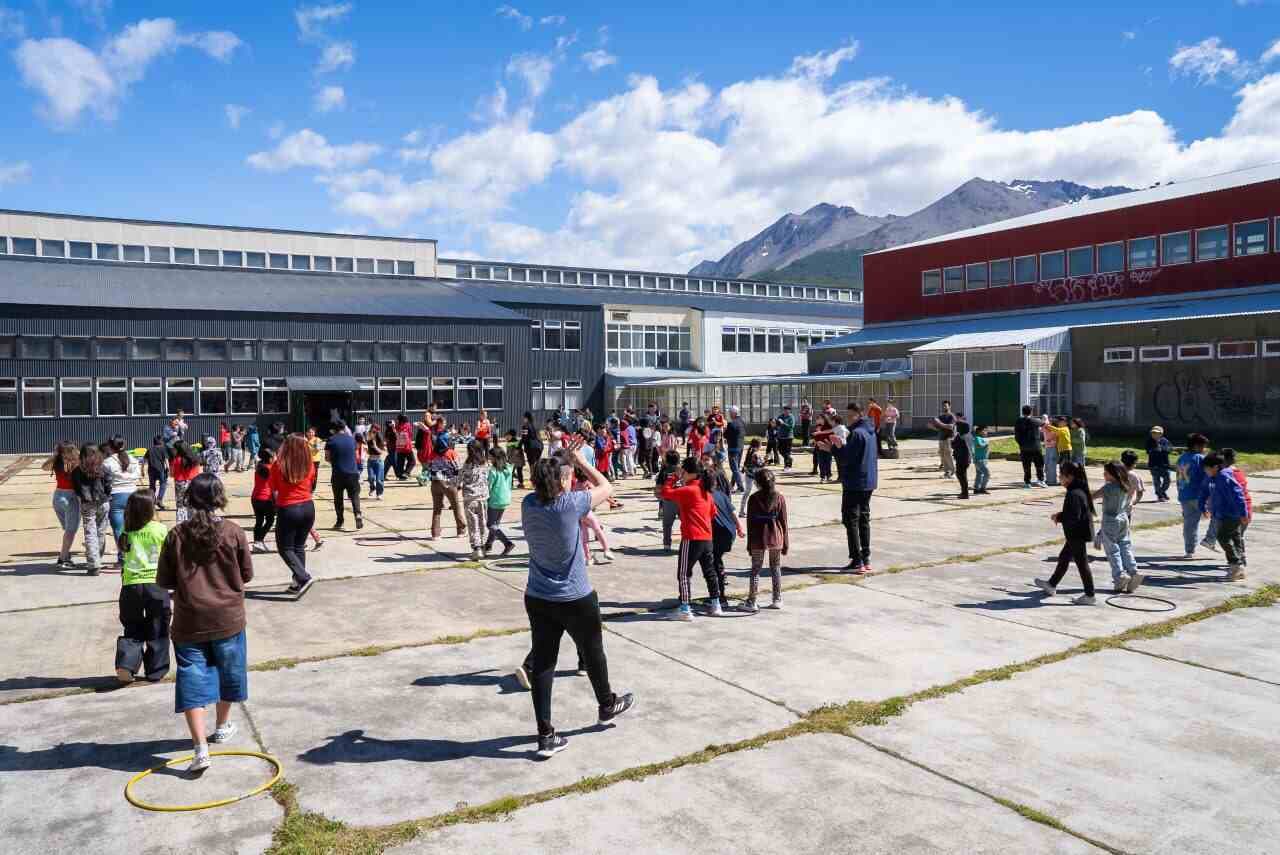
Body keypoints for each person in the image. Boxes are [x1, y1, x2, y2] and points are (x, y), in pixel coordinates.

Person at [518, 442, 633, 758]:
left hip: (539, 596)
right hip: (574, 596)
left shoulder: (528, 504)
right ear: (562, 481)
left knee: (543, 665)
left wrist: (563, 464)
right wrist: (581, 461)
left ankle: (545, 735)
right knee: (593, 652)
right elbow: (607, 486)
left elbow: (552, 485)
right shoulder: (570, 504)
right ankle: (606, 704)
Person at [156, 473, 253, 773]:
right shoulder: (234, 532)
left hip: (189, 621)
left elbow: (164, 581)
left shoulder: (176, 535)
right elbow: (246, 574)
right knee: (229, 673)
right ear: (219, 498)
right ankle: (222, 726)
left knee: (192, 678)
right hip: (228, 619)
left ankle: (200, 748)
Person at [115, 489, 170, 684]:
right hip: (156, 584)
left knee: (132, 626)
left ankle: (127, 665)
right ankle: (155, 670)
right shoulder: (160, 529)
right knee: (158, 628)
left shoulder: (126, 530)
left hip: (131, 585)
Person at [662, 458, 722, 620]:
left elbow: (665, 493)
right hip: (707, 538)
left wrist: (673, 478)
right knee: (709, 571)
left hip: (691, 537)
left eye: (683, 471)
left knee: (683, 573)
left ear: (687, 472)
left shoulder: (688, 490)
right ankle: (716, 603)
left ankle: (685, 608)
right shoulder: (706, 491)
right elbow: (713, 513)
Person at [1034, 460, 1098, 605]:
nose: (1059, 478)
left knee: (1082, 563)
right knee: (1064, 557)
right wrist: (1061, 515)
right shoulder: (1078, 489)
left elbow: (1073, 516)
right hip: (1077, 533)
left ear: (1070, 477)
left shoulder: (1074, 493)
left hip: (1077, 534)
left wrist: (1059, 517)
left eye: (1061, 475)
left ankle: (1090, 595)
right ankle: (1051, 585)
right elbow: (1075, 513)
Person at [829, 402, 877, 574]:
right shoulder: (870, 431)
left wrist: (834, 448)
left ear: (860, 414)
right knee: (863, 518)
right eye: (847, 415)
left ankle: (858, 560)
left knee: (851, 520)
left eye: (851, 416)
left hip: (855, 482)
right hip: (868, 481)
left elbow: (846, 458)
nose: (848, 419)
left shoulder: (857, 434)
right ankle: (866, 557)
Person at [269, 434, 317, 597]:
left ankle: (303, 577)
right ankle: (297, 582)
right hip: (308, 507)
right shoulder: (309, 464)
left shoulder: (279, 465)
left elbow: (273, 489)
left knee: (285, 548)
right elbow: (311, 484)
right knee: (298, 546)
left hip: (289, 508)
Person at [742, 468, 789, 613]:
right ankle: (777, 598)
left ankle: (752, 600)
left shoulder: (754, 498)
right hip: (776, 536)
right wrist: (786, 542)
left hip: (758, 537)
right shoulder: (779, 497)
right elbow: (784, 522)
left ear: (757, 483)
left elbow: (750, 522)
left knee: (756, 569)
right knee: (775, 567)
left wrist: (749, 544)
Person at [1092, 461, 1140, 594]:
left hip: (1110, 521)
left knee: (1112, 550)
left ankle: (1119, 576)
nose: (1103, 474)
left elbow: (1093, 496)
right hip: (1123, 519)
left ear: (1113, 474)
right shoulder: (1125, 485)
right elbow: (1131, 498)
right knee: (1125, 546)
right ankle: (1133, 571)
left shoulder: (1108, 487)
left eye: (1106, 472)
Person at [1201, 453, 1248, 580]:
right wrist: (1203, 507)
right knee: (1235, 537)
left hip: (1231, 514)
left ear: (1215, 467)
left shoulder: (1224, 477)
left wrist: (1244, 514)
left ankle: (1235, 565)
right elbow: (1205, 491)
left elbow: (1238, 495)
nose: (1205, 471)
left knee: (1223, 537)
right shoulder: (1213, 477)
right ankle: (1239, 568)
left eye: (1206, 468)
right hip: (1221, 513)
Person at [72, 443, 112, 575]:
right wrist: (107, 495)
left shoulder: (77, 471)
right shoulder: (103, 468)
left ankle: (93, 564)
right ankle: (97, 558)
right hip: (103, 501)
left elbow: (77, 489)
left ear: (82, 455)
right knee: (101, 531)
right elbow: (108, 484)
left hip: (87, 503)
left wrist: (82, 497)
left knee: (90, 533)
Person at [103, 436, 142, 566]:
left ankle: (123, 557)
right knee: (133, 527)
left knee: (118, 529)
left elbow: (104, 479)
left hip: (116, 495)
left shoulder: (107, 462)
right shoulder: (133, 459)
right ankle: (135, 554)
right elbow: (137, 475)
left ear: (110, 446)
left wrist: (118, 476)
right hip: (132, 494)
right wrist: (127, 477)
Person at [1177, 433, 1217, 559]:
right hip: (1199, 494)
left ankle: (1189, 551)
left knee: (1189, 523)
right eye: (1203, 446)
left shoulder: (1181, 458)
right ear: (1196, 446)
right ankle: (1210, 539)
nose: (1204, 449)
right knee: (1218, 516)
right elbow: (1208, 476)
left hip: (1184, 493)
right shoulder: (1200, 458)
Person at [44, 441, 82, 570]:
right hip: (71, 497)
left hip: (58, 496)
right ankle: (63, 558)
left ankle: (66, 554)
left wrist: (55, 456)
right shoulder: (77, 462)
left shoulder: (57, 462)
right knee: (71, 530)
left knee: (67, 528)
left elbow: (44, 467)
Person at [710, 474, 744, 612]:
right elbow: (733, 512)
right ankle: (720, 591)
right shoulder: (721, 495)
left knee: (714, 563)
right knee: (717, 560)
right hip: (730, 533)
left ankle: (720, 597)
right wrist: (739, 527)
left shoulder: (706, 496)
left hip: (719, 534)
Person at [427, 423, 466, 541]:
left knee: (437, 509)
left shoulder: (432, 454)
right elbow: (458, 469)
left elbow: (429, 468)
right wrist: (459, 484)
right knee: (456, 507)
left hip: (435, 483)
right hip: (449, 483)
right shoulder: (451, 453)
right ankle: (461, 530)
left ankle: (435, 533)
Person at [453, 441, 492, 560]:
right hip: (483, 498)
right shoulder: (486, 464)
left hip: (470, 498)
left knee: (473, 524)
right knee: (483, 523)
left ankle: (476, 548)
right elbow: (489, 478)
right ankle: (483, 547)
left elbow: (457, 481)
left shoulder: (466, 465)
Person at [325, 420, 363, 532]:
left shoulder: (331, 440)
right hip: (352, 473)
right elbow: (356, 456)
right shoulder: (352, 439)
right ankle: (358, 514)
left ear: (334, 429)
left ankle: (339, 521)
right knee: (354, 496)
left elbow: (327, 458)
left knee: (338, 499)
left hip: (338, 473)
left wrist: (336, 461)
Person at [484, 445, 516, 556]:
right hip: (505, 498)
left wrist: (485, 498)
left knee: (490, 525)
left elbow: (489, 486)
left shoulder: (493, 471)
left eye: (490, 457)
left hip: (494, 499)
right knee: (495, 524)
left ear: (495, 458)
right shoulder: (508, 468)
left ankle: (507, 543)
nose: (489, 459)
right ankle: (488, 544)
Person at [654, 449, 683, 552]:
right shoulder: (682, 471)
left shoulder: (664, 472)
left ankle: (667, 545)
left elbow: (658, 488)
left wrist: (659, 497)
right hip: (683, 500)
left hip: (669, 500)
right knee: (685, 523)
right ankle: (686, 542)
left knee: (667, 524)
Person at [250, 447, 277, 554]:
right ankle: (259, 541)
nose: (275, 458)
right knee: (270, 520)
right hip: (266, 498)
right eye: (273, 456)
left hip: (255, 497)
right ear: (269, 458)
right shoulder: (271, 468)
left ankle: (257, 542)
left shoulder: (259, 466)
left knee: (259, 521)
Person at [1014, 406, 1047, 488]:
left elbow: (1016, 436)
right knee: (1039, 464)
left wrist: (1021, 444)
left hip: (1024, 447)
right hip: (1036, 447)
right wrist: (1045, 417)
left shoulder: (1018, 421)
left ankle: (1027, 482)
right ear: (1031, 412)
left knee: (1026, 466)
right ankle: (1040, 480)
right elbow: (1044, 423)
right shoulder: (1035, 420)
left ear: (1022, 412)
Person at [170, 441, 202, 524]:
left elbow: (172, 474)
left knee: (181, 506)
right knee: (192, 504)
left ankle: (181, 525)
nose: (173, 450)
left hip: (180, 484)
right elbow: (198, 471)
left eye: (175, 448)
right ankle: (193, 524)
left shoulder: (177, 460)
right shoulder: (196, 458)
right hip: (194, 483)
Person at [1145, 426, 1172, 502]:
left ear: (1161, 434)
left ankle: (1161, 491)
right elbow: (1148, 450)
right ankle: (1160, 496)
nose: (1154, 434)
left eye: (1156, 433)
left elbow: (1169, 449)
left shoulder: (1165, 441)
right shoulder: (1149, 441)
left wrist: (1162, 449)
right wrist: (1154, 449)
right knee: (1157, 481)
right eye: (1153, 433)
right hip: (1154, 465)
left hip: (1164, 464)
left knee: (1167, 480)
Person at [739, 439, 765, 517]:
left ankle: (741, 510)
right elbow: (760, 465)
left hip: (749, 475)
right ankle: (762, 509)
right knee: (761, 492)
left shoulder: (750, 452)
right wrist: (767, 460)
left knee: (747, 493)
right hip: (754, 476)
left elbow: (746, 463)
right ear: (758, 446)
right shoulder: (755, 454)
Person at [952, 416, 972, 499]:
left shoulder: (962, 436)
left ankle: (965, 493)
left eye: (957, 427)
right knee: (962, 475)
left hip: (962, 459)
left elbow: (954, 445)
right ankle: (964, 492)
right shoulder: (967, 435)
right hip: (964, 458)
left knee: (961, 475)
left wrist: (952, 442)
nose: (956, 428)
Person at [364, 424, 387, 500]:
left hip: (378, 461)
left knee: (379, 479)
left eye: (374, 432)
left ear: (377, 432)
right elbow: (368, 451)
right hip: (370, 461)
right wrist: (366, 450)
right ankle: (372, 488)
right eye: (371, 431)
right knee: (371, 478)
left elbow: (382, 451)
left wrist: (375, 447)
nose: (371, 434)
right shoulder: (369, 440)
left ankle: (379, 493)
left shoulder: (379, 440)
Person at [811, 414, 834, 483]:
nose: (818, 420)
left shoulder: (829, 426)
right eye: (818, 419)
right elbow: (816, 436)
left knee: (828, 462)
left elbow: (832, 434)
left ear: (824, 419)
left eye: (820, 418)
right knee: (821, 462)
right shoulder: (818, 427)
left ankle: (828, 476)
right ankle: (822, 477)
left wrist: (830, 444)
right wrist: (815, 441)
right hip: (820, 447)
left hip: (828, 446)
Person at [972, 425, 991, 494]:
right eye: (984, 430)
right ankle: (983, 488)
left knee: (979, 474)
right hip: (979, 460)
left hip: (984, 459)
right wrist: (986, 443)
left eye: (986, 430)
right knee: (987, 474)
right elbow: (980, 445)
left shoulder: (985, 439)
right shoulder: (977, 438)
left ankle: (976, 488)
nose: (986, 432)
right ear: (979, 432)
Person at [776, 405, 795, 470]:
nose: (786, 411)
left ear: (789, 411)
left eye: (787, 410)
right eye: (784, 410)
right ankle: (789, 459)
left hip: (788, 437)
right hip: (780, 436)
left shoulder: (791, 417)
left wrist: (783, 423)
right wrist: (776, 422)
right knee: (780, 450)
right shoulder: (780, 416)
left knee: (787, 452)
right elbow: (777, 424)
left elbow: (791, 427)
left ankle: (787, 466)